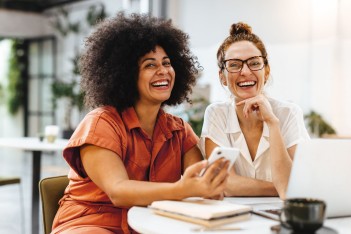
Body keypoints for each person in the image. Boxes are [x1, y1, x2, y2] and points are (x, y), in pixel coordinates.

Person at [51, 13, 229, 234]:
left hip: (153, 224)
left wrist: (208, 187)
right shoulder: (101, 123)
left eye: (167, 63)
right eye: (149, 65)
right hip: (92, 223)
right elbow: (118, 191)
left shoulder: (180, 131)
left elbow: (199, 180)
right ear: (125, 74)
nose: (163, 71)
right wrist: (180, 189)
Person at [200, 22, 310, 199]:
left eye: (254, 63)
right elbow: (225, 183)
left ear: (266, 72)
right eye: (234, 65)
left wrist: (273, 123)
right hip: (233, 219)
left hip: (280, 216)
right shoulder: (216, 114)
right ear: (223, 77)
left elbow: (299, 185)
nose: (245, 71)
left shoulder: (288, 113)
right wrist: (283, 186)